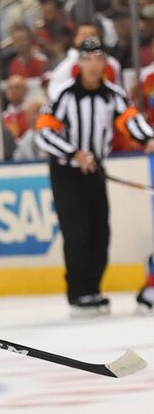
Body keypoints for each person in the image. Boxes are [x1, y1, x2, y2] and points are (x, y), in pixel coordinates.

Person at [35, 38, 154, 317]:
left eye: (98, 58)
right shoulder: (63, 94)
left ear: (104, 63)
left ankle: (94, 289)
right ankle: (79, 293)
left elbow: (129, 118)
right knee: (77, 231)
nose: (92, 64)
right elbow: (44, 132)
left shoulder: (112, 94)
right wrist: (74, 154)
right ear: (80, 63)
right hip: (67, 171)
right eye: (87, 58)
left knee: (101, 231)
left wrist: (148, 138)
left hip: (95, 170)